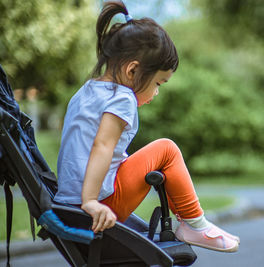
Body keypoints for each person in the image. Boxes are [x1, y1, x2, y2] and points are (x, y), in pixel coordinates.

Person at [54, 1, 239, 253]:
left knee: (146, 155)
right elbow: (102, 146)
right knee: (167, 149)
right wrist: (90, 202)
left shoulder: (87, 90)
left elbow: (86, 145)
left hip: (67, 203)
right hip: (95, 204)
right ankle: (195, 224)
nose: (157, 93)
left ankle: (192, 222)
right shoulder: (121, 97)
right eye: (158, 83)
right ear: (133, 70)